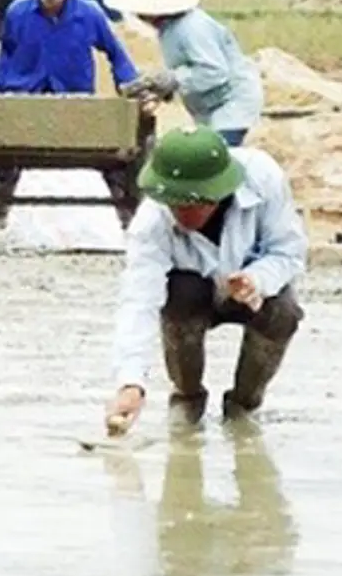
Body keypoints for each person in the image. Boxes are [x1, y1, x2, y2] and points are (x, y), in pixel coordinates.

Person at [104, 127, 308, 434]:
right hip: (192, 293)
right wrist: (131, 382)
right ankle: (187, 397)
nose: (180, 214)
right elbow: (139, 301)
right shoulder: (151, 223)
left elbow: (288, 251)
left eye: (191, 205)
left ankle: (243, 406)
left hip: (251, 290)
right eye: (173, 204)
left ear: (218, 193)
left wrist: (258, 279)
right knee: (180, 293)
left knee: (283, 312)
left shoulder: (263, 178)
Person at [0, 0, 141, 239]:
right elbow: (8, 55)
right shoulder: (18, 11)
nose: (47, 0)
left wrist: (129, 86)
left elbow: (116, 54)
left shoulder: (89, 14)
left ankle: (128, 220)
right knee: (6, 153)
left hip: (73, 98)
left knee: (112, 156)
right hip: (25, 93)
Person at [107, 0, 263, 146]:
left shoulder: (192, 27)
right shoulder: (169, 29)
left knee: (216, 155)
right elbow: (187, 67)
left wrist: (174, 80)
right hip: (209, 105)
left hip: (231, 103)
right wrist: (161, 88)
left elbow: (214, 72)